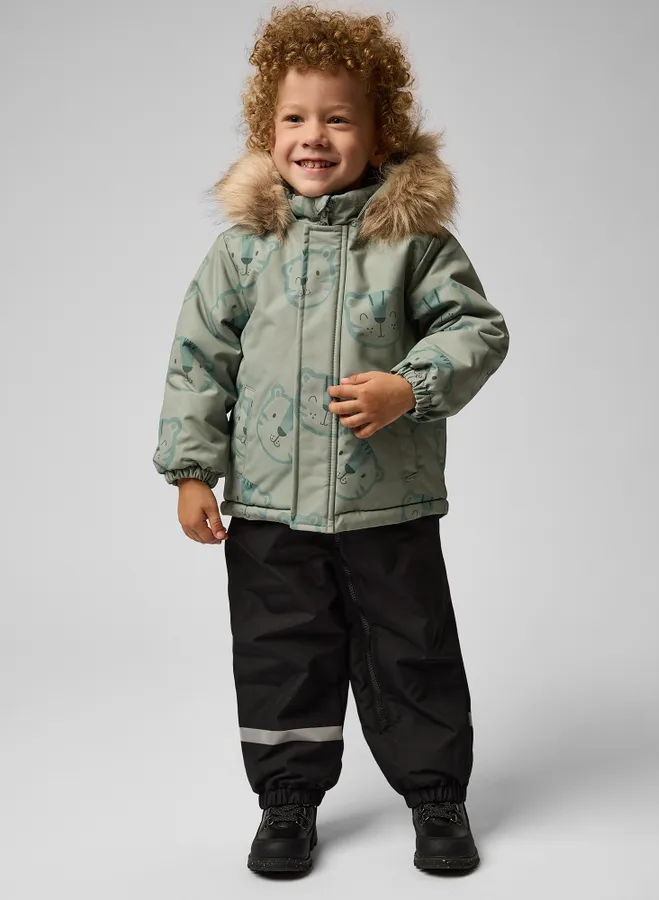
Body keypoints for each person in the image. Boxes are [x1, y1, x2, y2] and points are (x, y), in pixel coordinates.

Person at [152, 1, 510, 875]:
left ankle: (436, 796)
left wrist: (408, 386)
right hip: (270, 507)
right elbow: (199, 361)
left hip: (388, 504)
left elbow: (477, 329)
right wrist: (193, 471)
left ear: (380, 136)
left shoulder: (412, 243)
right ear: (267, 131)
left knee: (411, 649)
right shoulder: (243, 253)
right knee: (281, 655)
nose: (314, 136)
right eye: (294, 118)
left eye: (339, 119)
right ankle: (287, 802)